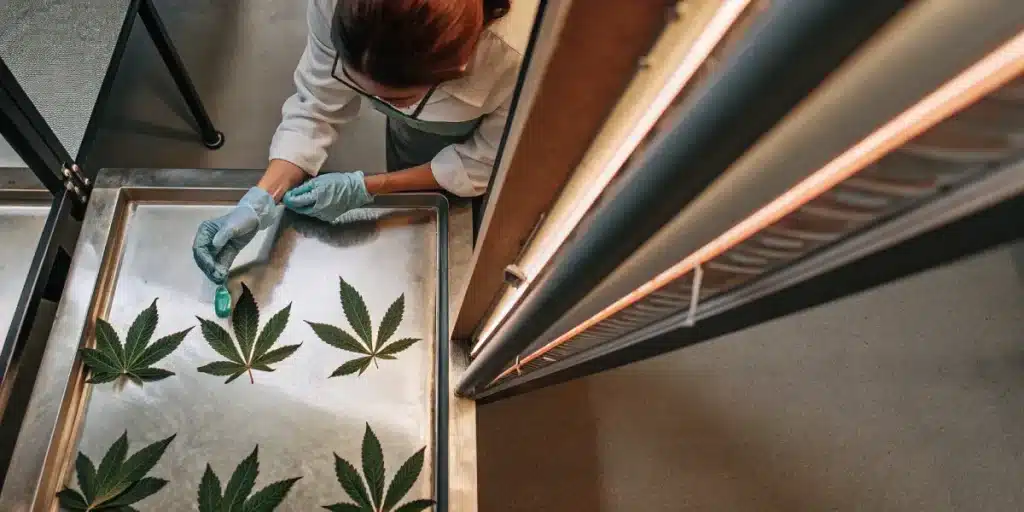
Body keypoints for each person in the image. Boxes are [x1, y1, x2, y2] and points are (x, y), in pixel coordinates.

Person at [193, 0, 534, 283]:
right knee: (406, 145)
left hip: (469, 135)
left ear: (458, 67)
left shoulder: (521, 55)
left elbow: (484, 160)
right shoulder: (339, 6)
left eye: (397, 101)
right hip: (417, 127)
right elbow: (317, 104)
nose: (379, 106)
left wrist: (370, 186)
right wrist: (261, 197)